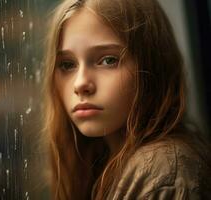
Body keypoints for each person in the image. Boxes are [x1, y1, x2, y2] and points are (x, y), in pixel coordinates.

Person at [40, 0, 211, 199]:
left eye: (108, 60)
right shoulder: (99, 161)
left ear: (152, 66)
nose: (80, 84)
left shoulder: (164, 174)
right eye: (67, 65)